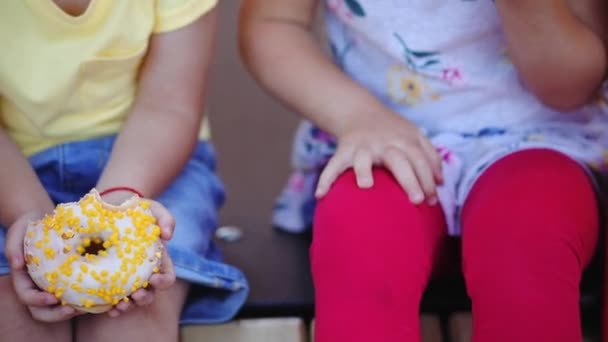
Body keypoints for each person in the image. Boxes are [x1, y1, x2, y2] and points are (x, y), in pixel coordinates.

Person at [239, 0, 607, 341]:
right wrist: (359, 116)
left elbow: (570, 86)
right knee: (359, 232)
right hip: (380, 135)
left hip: (543, 143)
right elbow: (273, 22)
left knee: (528, 233)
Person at [0, 1, 248, 341]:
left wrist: (118, 210)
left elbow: (169, 104)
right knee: (13, 311)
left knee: (133, 313)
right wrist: (32, 222)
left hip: (152, 166)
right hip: (10, 176)